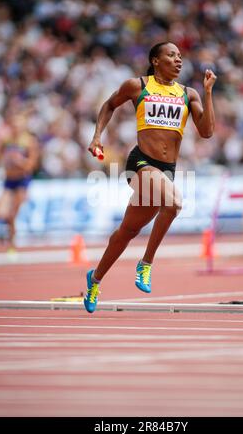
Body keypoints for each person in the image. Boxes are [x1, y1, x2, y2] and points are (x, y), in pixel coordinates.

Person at [85, 42, 216, 313]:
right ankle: (146, 264)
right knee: (174, 203)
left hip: (166, 170)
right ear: (156, 60)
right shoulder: (138, 85)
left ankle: (95, 279)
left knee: (127, 232)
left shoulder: (188, 94)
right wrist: (97, 136)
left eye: (180, 56)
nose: (178, 60)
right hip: (140, 162)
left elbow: (206, 132)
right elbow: (109, 105)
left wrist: (208, 92)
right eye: (171, 55)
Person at [0, 112, 39, 250]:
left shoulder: (29, 141)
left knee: (12, 213)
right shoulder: (6, 140)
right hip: (8, 180)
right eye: (14, 124)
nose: (16, 127)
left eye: (19, 124)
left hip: (22, 181)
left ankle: (11, 244)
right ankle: (9, 238)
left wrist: (19, 162)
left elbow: (32, 165)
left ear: (23, 126)